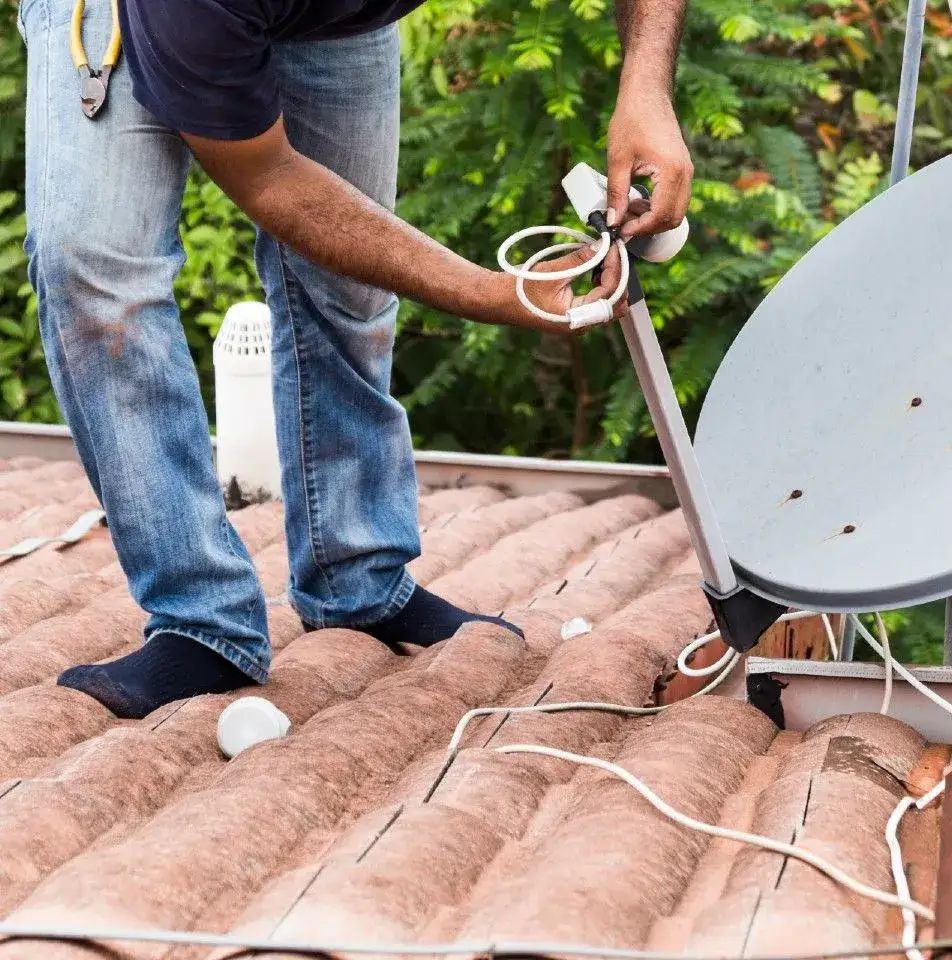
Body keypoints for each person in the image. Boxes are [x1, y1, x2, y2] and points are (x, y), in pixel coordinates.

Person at [17, 0, 694, 718]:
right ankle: (200, 619)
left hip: (331, 20)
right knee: (94, 272)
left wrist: (646, 90)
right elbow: (271, 182)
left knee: (349, 287)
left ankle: (357, 578)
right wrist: (494, 295)